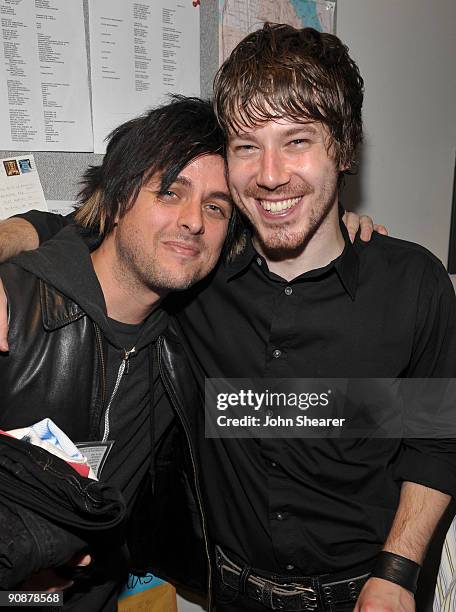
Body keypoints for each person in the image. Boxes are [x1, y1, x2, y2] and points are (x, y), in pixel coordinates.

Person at [0, 25, 443, 612]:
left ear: (344, 147)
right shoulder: (197, 281)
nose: (270, 173)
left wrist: (398, 571)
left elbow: (437, 435)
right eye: (247, 146)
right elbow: (102, 230)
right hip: (226, 591)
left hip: (366, 594)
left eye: (298, 140)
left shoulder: (411, 282)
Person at [0, 95, 234, 609]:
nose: (195, 221)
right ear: (121, 194)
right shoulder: (13, 308)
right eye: (171, 192)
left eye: (216, 206)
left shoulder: (186, 343)